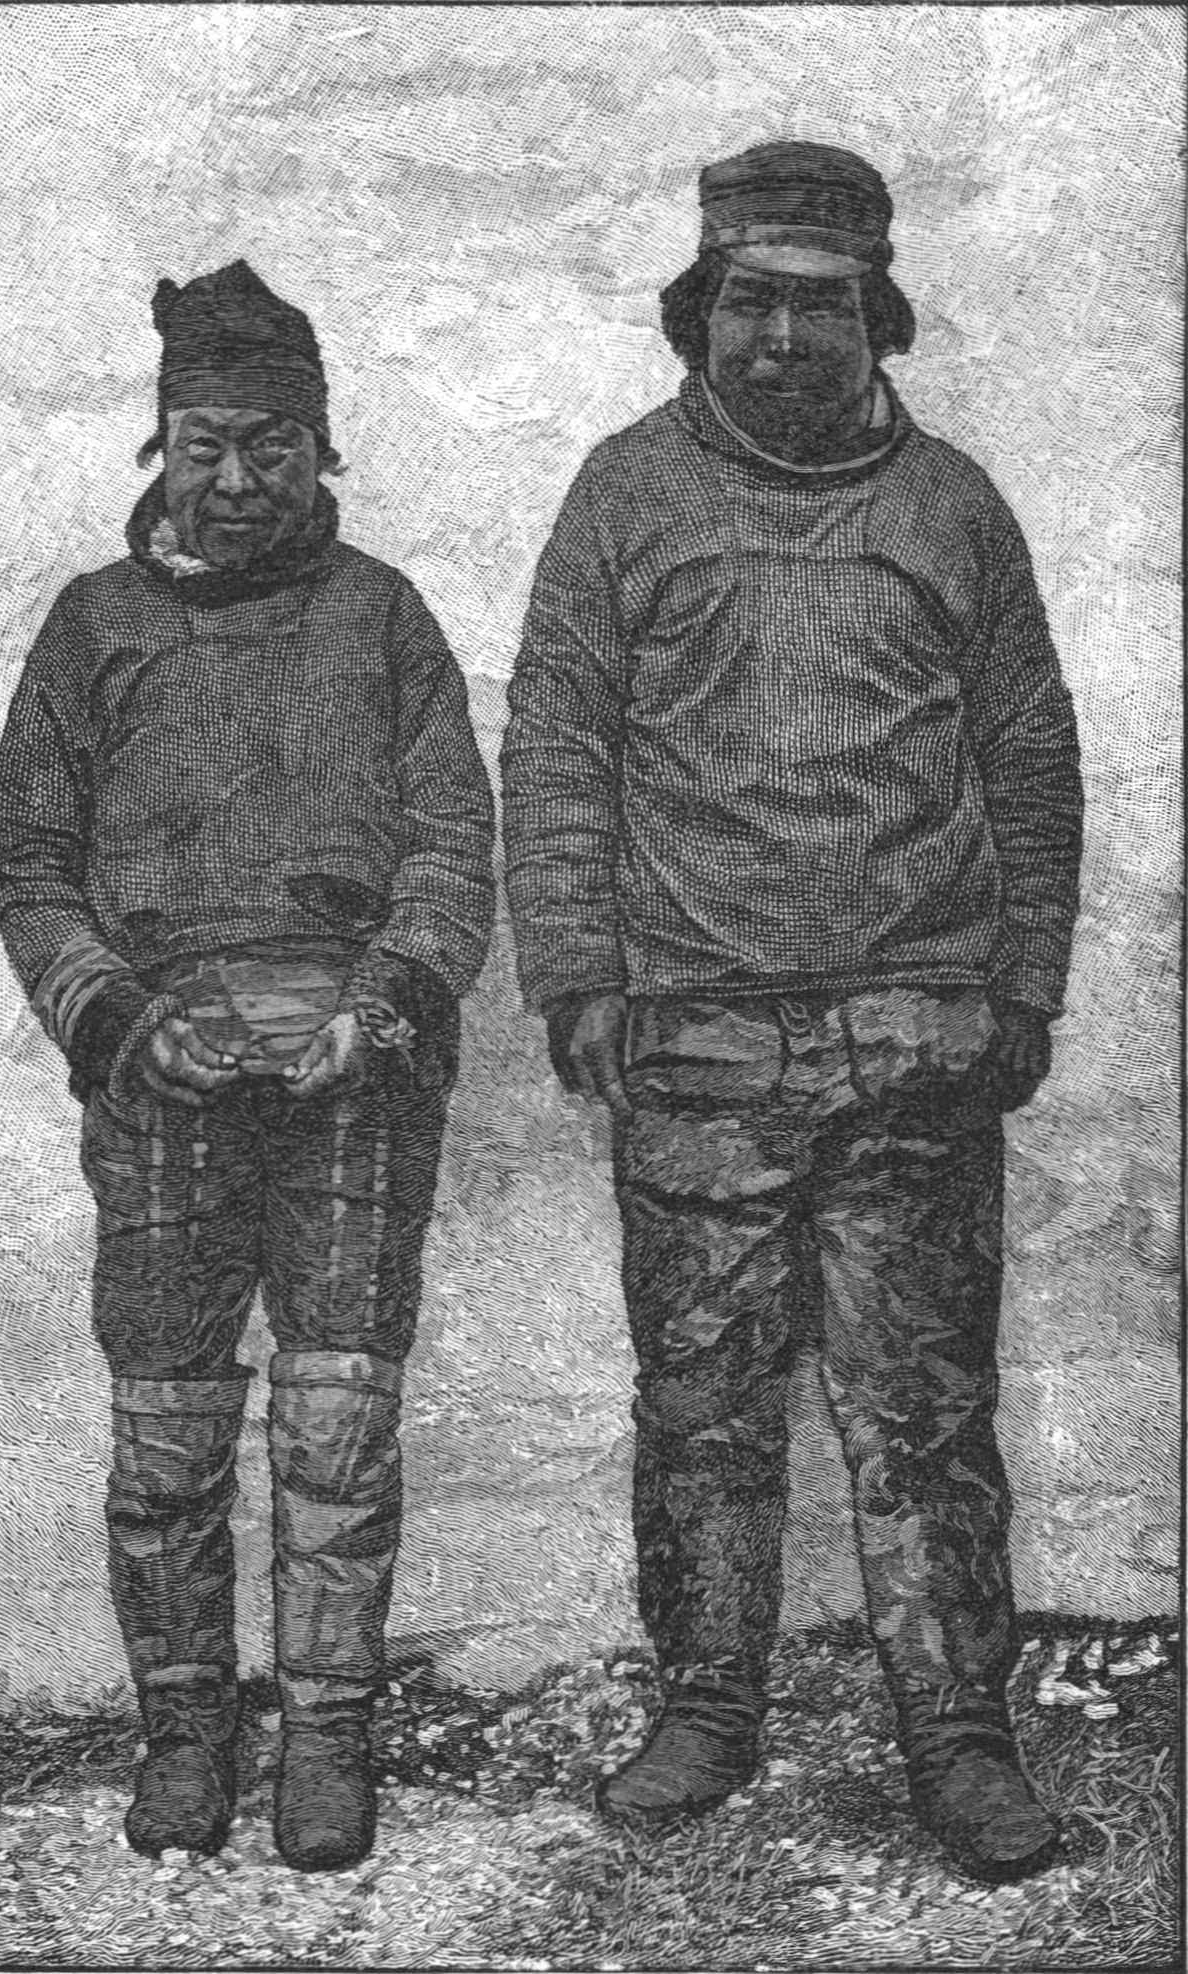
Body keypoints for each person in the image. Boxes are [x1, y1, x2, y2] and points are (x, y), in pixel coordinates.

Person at [501, 141, 1083, 1883]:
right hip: (696, 1045)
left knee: (923, 1410)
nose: (776, 337)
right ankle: (707, 1705)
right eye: (747, 300)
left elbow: (1032, 755)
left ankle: (959, 1732)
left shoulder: (954, 507)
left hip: (916, 1042)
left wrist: (1023, 982)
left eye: (817, 306)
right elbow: (557, 740)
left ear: (875, 316)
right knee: (701, 1403)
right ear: (700, 308)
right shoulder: (626, 495)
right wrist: (575, 971)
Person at [0, 261, 495, 1872]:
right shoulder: (94, 628)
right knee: (167, 1435)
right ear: (162, 446)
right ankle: (187, 1731)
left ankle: (330, 1738)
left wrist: (384, 1006)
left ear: (321, 450)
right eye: (205, 443)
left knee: (338, 1431)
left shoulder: (385, 618)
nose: (236, 478)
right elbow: (32, 868)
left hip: (354, 1086)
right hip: (159, 1090)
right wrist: (123, 1022)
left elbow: (451, 845)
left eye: (271, 445)